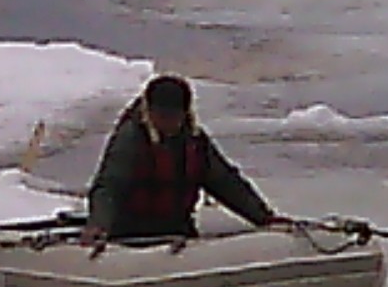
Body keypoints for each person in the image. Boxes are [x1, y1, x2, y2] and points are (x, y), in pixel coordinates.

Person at [80, 74, 280, 253]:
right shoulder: (131, 139)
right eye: (161, 117)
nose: (168, 123)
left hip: (177, 230)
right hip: (129, 234)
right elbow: (109, 186)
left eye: (173, 117)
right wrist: (99, 224)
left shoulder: (194, 141)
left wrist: (263, 217)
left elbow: (225, 181)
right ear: (149, 112)